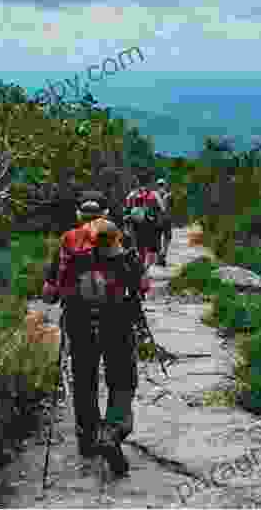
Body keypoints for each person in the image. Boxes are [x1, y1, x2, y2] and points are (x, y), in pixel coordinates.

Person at [42, 200, 150, 476]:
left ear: (79, 215)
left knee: (84, 379)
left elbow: (49, 292)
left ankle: (88, 438)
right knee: (122, 378)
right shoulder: (121, 238)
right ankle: (112, 432)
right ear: (105, 215)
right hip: (118, 320)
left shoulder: (68, 241)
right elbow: (142, 284)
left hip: (79, 322)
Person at [123, 172, 166, 269]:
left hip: (136, 226)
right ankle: (145, 268)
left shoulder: (132, 194)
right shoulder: (154, 194)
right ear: (149, 182)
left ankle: (141, 268)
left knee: (139, 249)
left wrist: (127, 227)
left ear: (137, 182)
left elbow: (126, 211)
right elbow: (162, 209)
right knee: (152, 250)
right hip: (151, 226)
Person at [155, 178, 173, 266]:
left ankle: (159, 256)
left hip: (157, 220)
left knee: (157, 239)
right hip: (167, 220)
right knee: (167, 238)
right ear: (165, 185)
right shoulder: (169, 195)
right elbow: (172, 208)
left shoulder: (154, 195)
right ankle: (163, 255)